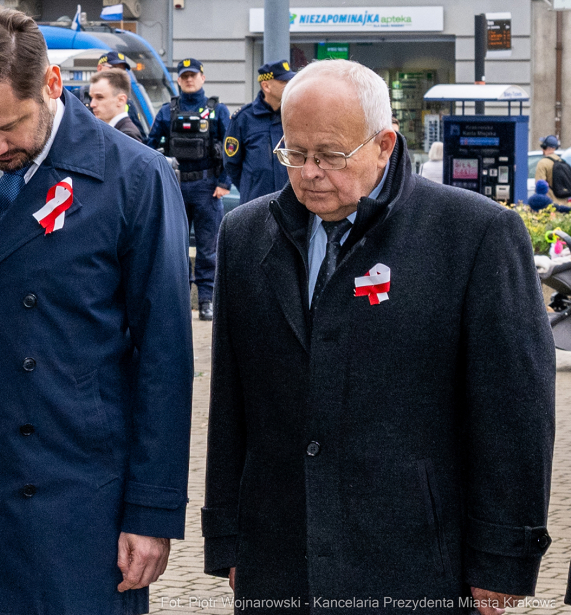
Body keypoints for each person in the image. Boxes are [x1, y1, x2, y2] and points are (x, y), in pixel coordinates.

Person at [203, 59, 554, 614]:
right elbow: (230, 404)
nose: (310, 172)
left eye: (331, 155)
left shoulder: (475, 235)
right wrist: (227, 538)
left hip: (417, 559)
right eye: (294, 153)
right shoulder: (246, 234)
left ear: (385, 144)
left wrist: (503, 556)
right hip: (280, 555)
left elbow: (513, 410)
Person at [0, 3, 194, 615]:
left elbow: (165, 360)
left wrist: (153, 512)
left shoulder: (135, 176)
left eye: (10, 126)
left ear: (52, 84)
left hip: (82, 498)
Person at [146, 58, 231, 321]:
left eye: (193, 75)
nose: (189, 80)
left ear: (202, 78)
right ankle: (180, 300)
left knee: (208, 248)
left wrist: (224, 183)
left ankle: (206, 301)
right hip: (176, 185)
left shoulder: (218, 111)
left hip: (207, 187)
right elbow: (149, 147)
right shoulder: (166, 111)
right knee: (175, 246)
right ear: (179, 80)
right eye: (184, 76)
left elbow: (230, 148)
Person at [224, 59, 293, 207]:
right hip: (255, 204)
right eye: (283, 82)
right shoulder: (243, 118)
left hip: (291, 204)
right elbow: (231, 163)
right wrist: (251, 186)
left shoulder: (296, 115)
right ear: (266, 86)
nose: (290, 86)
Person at [94, 50, 149, 138]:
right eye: (114, 68)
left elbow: (140, 140)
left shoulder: (127, 104)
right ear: (100, 68)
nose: (118, 74)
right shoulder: (80, 97)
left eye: (122, 70)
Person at [89, 69, 144, 142]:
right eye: (91, 98)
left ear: (121, 100)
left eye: (100, 97)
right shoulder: (117, 131)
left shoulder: (127, 136)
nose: (92, 104)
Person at [536, 135, 568, 207]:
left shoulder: (542, 163)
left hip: (550, 205)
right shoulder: (562, 161)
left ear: (544, 147)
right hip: (564, 204)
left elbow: (540, 185)